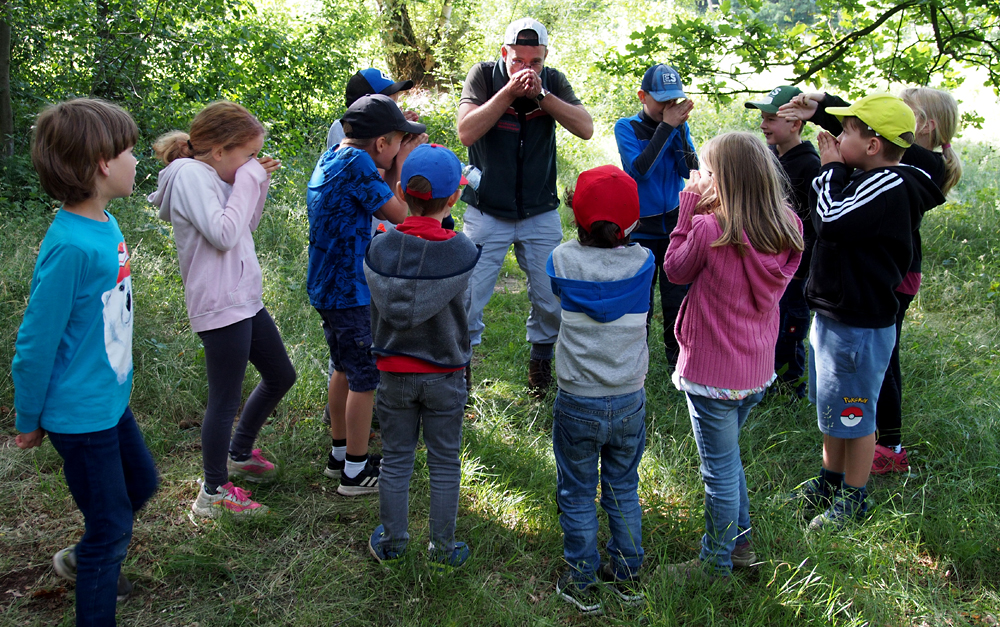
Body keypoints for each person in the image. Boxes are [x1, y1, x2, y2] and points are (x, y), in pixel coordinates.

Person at [14, 98, 159, 625]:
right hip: (81, 414)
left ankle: (81, 558)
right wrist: (27, 419)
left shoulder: (105, 224)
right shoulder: (72, 247)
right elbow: (35, 342)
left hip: (109, 399)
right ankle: (95, 565)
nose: (136, 161)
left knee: (142, 484)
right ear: (101, 163)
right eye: (128, 152)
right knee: (113, 527)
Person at [779, 88, 962, 470]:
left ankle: (860, 483)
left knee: (856, 406)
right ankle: (833, 479)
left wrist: (828, 169)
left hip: (861, 316)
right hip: (840, 310)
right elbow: (866, 143)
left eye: (847, 133)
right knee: (836, 405)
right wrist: (828, 118)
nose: (839, 139)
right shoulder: (874, 174)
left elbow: (829, 221)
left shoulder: (891, 181)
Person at [661, 133, 803, 579]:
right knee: (729, 461)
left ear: (721, 180)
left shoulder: (709, 228)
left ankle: (715, 564)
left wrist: (687, 210)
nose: (699, 178)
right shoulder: (788, 226)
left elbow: (674, 270)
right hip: (755, 370)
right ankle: (740, 548)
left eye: (705, 171)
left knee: (717, 475)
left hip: (711, 373)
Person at [150, 101, 296, 518]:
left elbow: (245, 224)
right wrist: (250, 177)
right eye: (247, 154)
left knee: (281, 374)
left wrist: (255, 182)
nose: (252, 162)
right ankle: (213, 491)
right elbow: (224, 234)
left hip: (243, 299)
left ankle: (240, 452)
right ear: (218, 151)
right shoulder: (190, 176)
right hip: (220, 304)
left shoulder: (211, 174)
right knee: (224, 399)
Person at [457, 17, 594, 396]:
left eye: (535, 62)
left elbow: (586, 128)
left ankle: (541, 363)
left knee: (551, 298)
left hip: (539, 210)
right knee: (468, 298)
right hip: (486, 210)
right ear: (505, 53)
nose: (527, 69)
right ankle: (459, 373)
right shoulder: (483, 76)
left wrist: (541, 96)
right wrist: (507, 94)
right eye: (519, 60)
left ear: (546, 57)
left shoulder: (553, 80)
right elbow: (466, 130)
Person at [363, 144, 479, 570]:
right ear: (454, 198)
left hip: (392, 372)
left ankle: (393, 542)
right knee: (445, 461)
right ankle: (444, 548)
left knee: (396, 459)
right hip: (445, 374)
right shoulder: (462, 251)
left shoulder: (377, 249)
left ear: (399, 189)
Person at [547, 165, 655, 614]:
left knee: (576, 491)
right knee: (622, 487)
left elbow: (558, 283)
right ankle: (628, 577)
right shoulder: (645, 261)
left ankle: (581, 579)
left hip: (577, 398)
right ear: (632, 222)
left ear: (576, 215)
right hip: (629, 396)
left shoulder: (562, 259)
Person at [307, 94, 426, 495]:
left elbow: (379, 204)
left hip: (326, 284)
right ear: (381, 144)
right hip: (349, 289)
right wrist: (405, 161)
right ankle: (356, 472)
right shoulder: (360, 165)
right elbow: (401, 215)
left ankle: (340, 453)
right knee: (365, 377)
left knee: (342, 366)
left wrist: (397, 155)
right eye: (397, 141)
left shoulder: (335, 157)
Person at [614, 63, 697, 368]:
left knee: (677, 298)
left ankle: (678, 363)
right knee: (642, 300)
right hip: (643, 230)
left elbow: (689, 169)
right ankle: (637, 361)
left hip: (674, 226)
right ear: (642, 96)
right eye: (661, 99)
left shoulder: (677, 126)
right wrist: (667, 128)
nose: (667, 106)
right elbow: (641, 170)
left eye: (673, 99)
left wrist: (679, 131)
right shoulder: (627, 127)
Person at [744, 85, 821, 398]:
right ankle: (765, 383)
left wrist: (801, 270)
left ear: (796, 124)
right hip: (768, 268)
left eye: (772, 118)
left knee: (789, 331)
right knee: (768, 329)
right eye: (763, 118)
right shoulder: (770, 157)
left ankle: (789, 393)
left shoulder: (809, 166)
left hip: (794, 273)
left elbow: (814, 227)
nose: (764, 125)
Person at [326, 68, 417, 150]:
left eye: (395, 105)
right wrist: (392, 133)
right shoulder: (340, 128)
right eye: (390, 106)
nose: (396, 111)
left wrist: (399, 135)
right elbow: (358, 166)